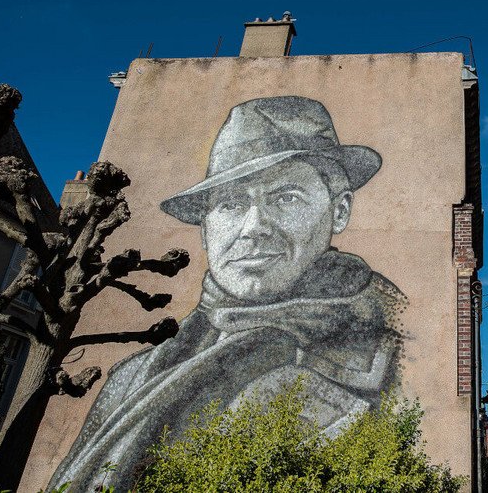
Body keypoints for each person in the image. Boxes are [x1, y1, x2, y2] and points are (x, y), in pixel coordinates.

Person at [50, 96, 405, 491]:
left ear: (339, 212)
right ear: (205, 227)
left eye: (286, 198)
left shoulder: (394, 354)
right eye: (231, 204)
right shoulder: (131, 377)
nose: (253, 227)